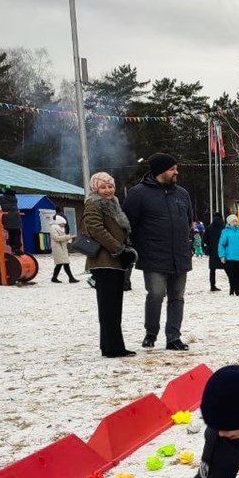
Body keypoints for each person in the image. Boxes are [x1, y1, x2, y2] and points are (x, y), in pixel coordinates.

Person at [123, 152, 193, 350]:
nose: (176, 172)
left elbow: (188, 221)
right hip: (153, 257)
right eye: (172, 169)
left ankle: (173, 337)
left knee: (177, 298)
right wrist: (139, 247)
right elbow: (129, 225)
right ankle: (150, 333)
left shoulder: (182, 194)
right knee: (155, 295)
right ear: (160, 171)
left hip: (179, 256)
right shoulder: (138, 194)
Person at [83, 172, 138, 358]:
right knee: (109, 306)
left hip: (114, 262)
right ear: (95, 188)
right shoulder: (93, 203)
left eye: (110, 186)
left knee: (113, 305)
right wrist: (118, 249)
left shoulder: (113, 203)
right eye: (103, 187)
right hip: (104, 261)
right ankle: (113, 347)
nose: (107, 190)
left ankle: (109, 345)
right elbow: (96, 229)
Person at [218, 214, 239, 296]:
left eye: (236, 221)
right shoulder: (225, 232)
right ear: (229, 222)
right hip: (230, 256)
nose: (235, 222)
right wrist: (222, 256)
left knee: (238, 274)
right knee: (231, 274)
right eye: (233, 221)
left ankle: (237, 290)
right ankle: (232, 289)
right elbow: (221, 244)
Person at [48, 215, 79, 283]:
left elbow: (62, 237)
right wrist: (68, 237)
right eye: (63, 224)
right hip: (58, 248)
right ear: (59, 222)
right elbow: (56, 238)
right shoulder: (53, 228)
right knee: (65, 263)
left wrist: (69, 239)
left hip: (62, 247)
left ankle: (54, 278)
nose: (63, 225)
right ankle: (71, 278)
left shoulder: (59, 228)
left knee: (60, 264)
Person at [0, 187, 22, 252]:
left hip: (7, 219)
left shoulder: (1, 198)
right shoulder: (15, 199)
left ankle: (13, 246)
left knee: (11, 233)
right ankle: (17, 247)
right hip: (16, 219)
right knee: (17, 232)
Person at [204, 214, 225, 292]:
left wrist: (207, 248)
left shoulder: (209, 228)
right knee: (228, 268)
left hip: (212, 251)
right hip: (223, 250)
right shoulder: (224, 227)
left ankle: (212, 286)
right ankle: (232, 284)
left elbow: (205, 239)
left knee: (212, 270)